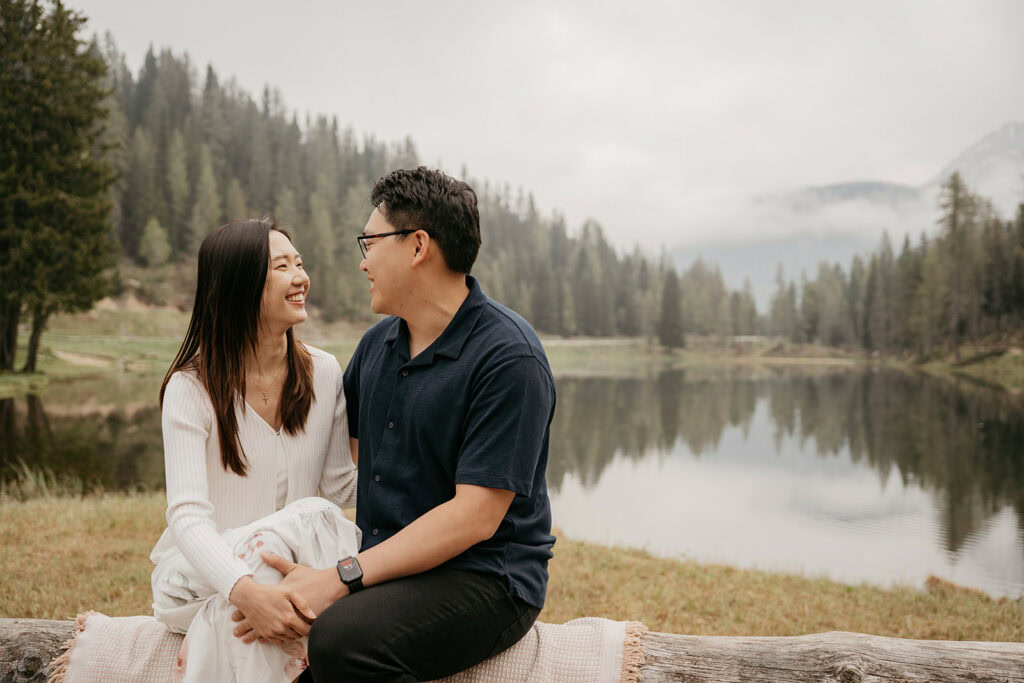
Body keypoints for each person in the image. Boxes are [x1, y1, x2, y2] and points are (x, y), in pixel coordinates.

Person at [254, 167, 557, 682]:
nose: (362, 260)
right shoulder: (377, 346)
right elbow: (325, 456)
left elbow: (475, 517)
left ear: (418, 246)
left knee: (341, 640)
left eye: (370, 242)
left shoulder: (509, 358)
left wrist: (340, 577)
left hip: (486, 578)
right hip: (386, 564)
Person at [151, 218, 359, 682]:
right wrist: (246, 592)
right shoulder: (191, 388)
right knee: (307, 523)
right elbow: (186, 517)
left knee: (320, 520)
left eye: (300, 263)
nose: (301, 277)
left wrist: (441, 482)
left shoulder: (324, 372)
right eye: (282, 267)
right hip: (200, 579)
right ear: (240, 285)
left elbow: (342, 485)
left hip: (292, 571)